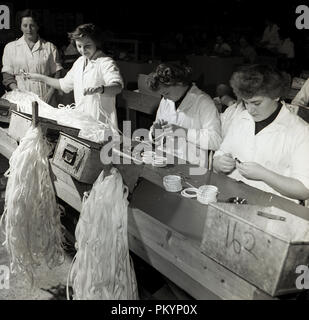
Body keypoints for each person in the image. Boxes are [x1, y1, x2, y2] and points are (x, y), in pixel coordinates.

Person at [213, 64, 309, 202]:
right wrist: (220, 163)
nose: (250, 110)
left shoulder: (300, 131)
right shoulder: (241, 117)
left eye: (256, 103)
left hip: (274, 206)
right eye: (246, 103)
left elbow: (304, 190)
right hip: (232, 196)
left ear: (276, 96)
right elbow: (220, 154)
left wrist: (264, 175)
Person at [26, 23, 123, 129]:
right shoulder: (80, 62)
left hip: (101, 125)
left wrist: (101, 89)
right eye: (79, 46)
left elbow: (117, 87)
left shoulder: (105, 62)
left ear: (96, 43)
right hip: (83, 124)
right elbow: (62, 84)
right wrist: (39, 77)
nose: (82, 50)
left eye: (87, 46)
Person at [147, 63, 222, 166]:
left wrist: (185, 132)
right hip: (166, 161)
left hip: (192, 166)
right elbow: (157, 132)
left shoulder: (203, 102)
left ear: (179, 83)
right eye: (162, 95)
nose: (164, 97)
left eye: (167, 93)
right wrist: (155, 134)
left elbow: (216, 140)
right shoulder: (166, 101)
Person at [1, 9, 63, 105]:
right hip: (20, 99)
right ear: (20, 27)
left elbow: (57, 73)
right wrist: (18, 92)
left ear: (38, 26)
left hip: (46, 97)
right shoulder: (10, 47)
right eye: (25, 26)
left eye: (32, 25)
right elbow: (7, 75)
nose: (28, 29)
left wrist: (50, 94)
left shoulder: (49, 47)